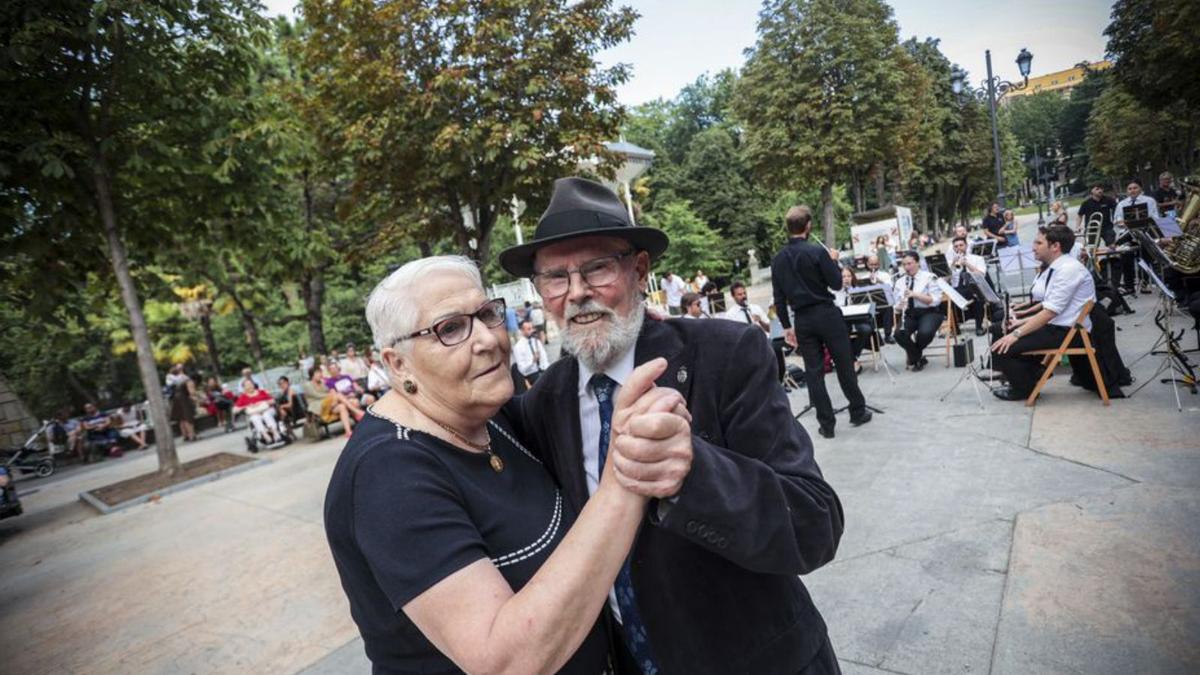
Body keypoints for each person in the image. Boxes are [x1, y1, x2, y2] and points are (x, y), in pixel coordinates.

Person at [498, 177, 844, 673]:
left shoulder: (727, 354)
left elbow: (815, 526)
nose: (576, 293)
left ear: (639, 270)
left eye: (597, 268)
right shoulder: (542, 404)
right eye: (555, 278)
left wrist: (693, 473)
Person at [325, 254, 682, 674]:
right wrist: (626, 477)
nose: (488, 339)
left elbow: (570, 390)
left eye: (487, 314)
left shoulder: (491, 418)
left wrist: (626, 329)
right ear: (397, 363)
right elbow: (506, 662)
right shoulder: (388, 476)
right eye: (450, 328)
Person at [772, 204, 871, 438]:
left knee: (814, 372)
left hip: (803, 319)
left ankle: (826, 424)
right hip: (826, 313)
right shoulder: (817, 252)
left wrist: (787, 326)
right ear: (808, 226)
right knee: (844, 364)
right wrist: (833, 260)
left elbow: (779, 297)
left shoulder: (778, 259)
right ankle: (857, 411)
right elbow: (837, 284)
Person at [991, 225, 1097, 401]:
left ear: (1055, 246)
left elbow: (1049, 312)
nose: (1033, 247)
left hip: (1070, 333)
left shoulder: (1068, 269)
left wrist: (1016, 334)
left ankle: (1025, 388)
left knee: (1003, 347)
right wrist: (1020, 324)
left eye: (1039, 242)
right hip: (1059, 327)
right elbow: (1047, 307)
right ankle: (1033, 374)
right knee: (1000, 333)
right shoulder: (1058, 268)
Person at [892, 250, 944, 371]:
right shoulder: (900, 282)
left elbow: (935, 300)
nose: (906, 267)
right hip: (910, 313)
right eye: (904, 265)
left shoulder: (929, 277)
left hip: (930, 312)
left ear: (918, 263)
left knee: (925, 333)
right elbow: (896, 306)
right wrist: (900, 305)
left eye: (909, 264)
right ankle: (918, 357)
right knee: (898, 334)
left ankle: (914, 355)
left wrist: (915, 295)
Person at [832, 266, 873, 371]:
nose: (846, 279)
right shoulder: (834, 292)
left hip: (858, 318)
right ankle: (853, 359)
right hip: (842, 320)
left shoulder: (858, 289)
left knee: (866, 329)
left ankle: (851, 357)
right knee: (841, 332)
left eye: (849, 276)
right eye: (843, 276)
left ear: (853, 277)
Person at [949, 236, 991, 335]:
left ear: (966, 246)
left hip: (974, 287)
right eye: (956, 246)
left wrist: (966, 264)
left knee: (977, 295)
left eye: (961, 245)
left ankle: (979, 327)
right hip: (958, 289)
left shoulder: (977, 258)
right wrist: (953, 264)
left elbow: (981, 274)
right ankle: (955, 328)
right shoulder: (951, 261)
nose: (958, 248)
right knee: (948, 298)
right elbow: (946, 278)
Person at [303, 366, 355, 438]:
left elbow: (330, 391)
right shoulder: (307, 385)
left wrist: (330, 391)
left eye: (320, 372)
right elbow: (317, 395)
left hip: (329, 405)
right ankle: (356, 411)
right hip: (319, 408)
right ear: (312, 375)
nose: (320, 374)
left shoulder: (322, 383)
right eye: (317, 373)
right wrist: (331, 395)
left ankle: (348, 431)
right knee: (338, 395)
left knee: (342, 407)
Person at [234, 380, 283, 445]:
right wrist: (247, 406)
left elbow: (273, 401)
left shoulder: (261, 392)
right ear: (244, 388)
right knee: (255, 418)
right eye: (247, 385)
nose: (250, 386)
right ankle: (266, 437)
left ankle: (276, 434)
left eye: (251, 384)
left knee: (266, 415)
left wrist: (263, 402)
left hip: (267, 410)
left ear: (254, 385)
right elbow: (235, 410)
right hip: (255, 413)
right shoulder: (242, 397)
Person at [865, 254, 896, 343]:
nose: (873, 267)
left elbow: (890, 288)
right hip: (870, 305)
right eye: (871, 264)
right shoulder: (864, 277)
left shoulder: (885, 275)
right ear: (867, 264)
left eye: (875, 264)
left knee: (888, 307)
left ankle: (888, 335)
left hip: (882, 303)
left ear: (878, 264)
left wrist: (879, 281)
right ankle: (876, 337)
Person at [512, 319, 550, 385]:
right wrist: (532, 361)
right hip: (531, 374)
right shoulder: (518, 347)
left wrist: (547, 369)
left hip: (543, 370)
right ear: (522, 331)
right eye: (529, 329)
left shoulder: (536, 341)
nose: (532, 331)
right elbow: (522, 369)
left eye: (532, 328)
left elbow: (544, 357)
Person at [165, 364, 197, 442]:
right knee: (187, 417)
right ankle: (192, 434)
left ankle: (185, 435)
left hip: (175, 399)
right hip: (183, 398)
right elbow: (191, 391)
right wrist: (194, 397)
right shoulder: (185, 378)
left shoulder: (169, 379)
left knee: (181, 418)